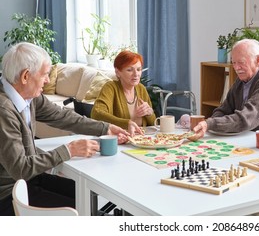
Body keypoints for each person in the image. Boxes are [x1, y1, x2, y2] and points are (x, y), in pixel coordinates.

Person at [0, 42, 131, 216]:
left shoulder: (28, 96)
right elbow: (20, 168)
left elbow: (62, 116)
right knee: (85, 209)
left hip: (29, 180)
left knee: (85, 195)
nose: (47, 80)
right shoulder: (4, 110)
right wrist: (69, 150)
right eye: (45, 74)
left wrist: (105, 128)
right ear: (25, 76)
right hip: (9, 195)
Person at [193, 38, 259, 139]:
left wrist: (210, 124)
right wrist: (211, 122)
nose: (237, 68)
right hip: (248, 138)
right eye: (234, 63)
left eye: (241, 62)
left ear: (258, 60)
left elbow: (247, 119)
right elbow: (224, 109)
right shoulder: (242, 79)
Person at [91, 50, 156, 132]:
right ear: (118, 72)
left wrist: (149, 113)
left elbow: (154, 124)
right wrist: (126, 123)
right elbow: (97, 114)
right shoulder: (110, 87)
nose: (136, 74)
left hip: (143, 139)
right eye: (130, 70)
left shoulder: (141, 88)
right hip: (119, 140)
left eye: (139, 69)